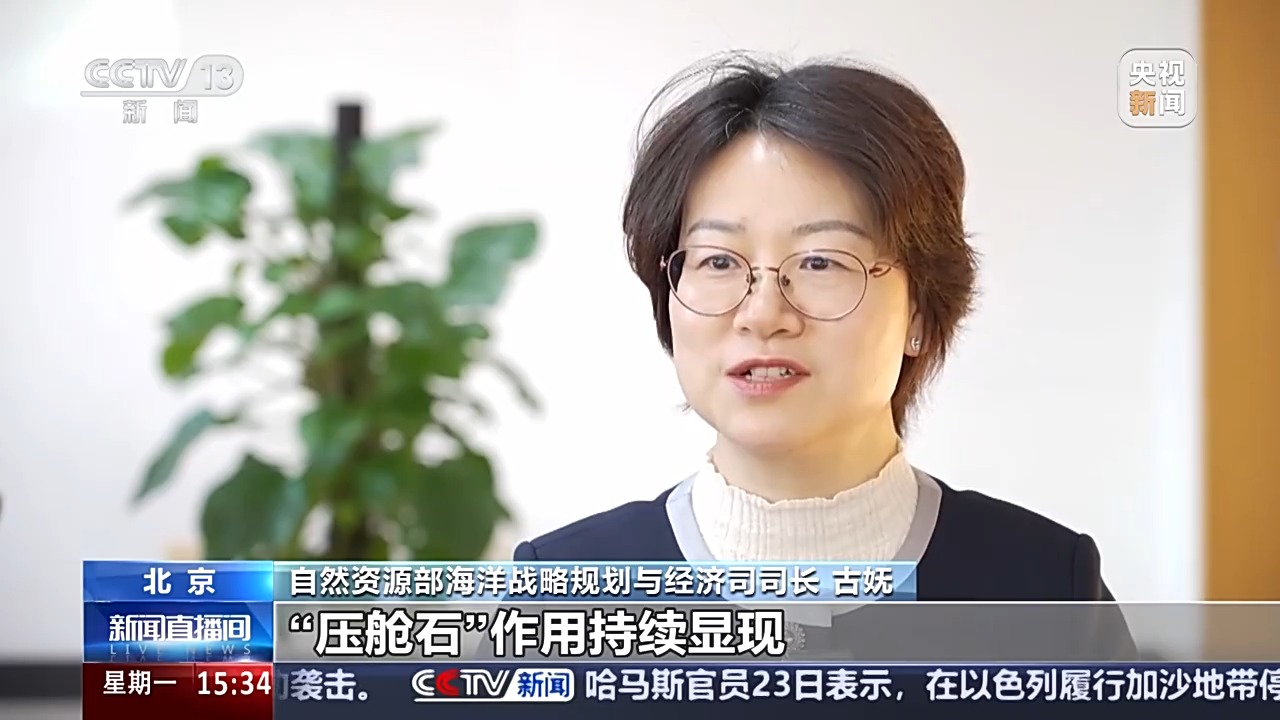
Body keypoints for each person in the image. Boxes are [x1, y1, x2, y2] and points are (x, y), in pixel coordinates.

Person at [512, 56, 1134, 659]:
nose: (762, 313)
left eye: (820, 262)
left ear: (920, 310)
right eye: (717, 261)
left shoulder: (1047, 589)